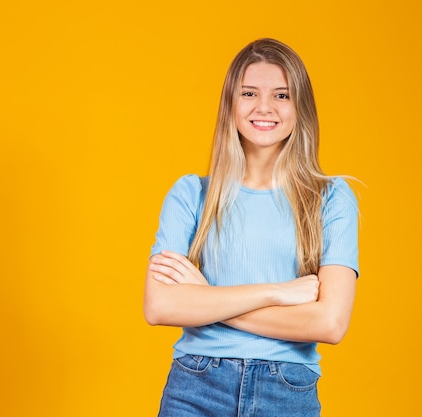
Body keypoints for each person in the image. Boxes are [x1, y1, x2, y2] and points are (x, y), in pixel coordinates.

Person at [144, 38, 359, 417]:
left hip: (287, 390)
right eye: (249, 93)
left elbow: (329, 323)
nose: (264, 107)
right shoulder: (191, 194)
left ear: (300, 108)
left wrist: (205, 298)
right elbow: (160, 305)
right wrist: (277, 292)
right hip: (196, 385)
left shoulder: (331, 198)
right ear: (231, 103)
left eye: (281, 95)